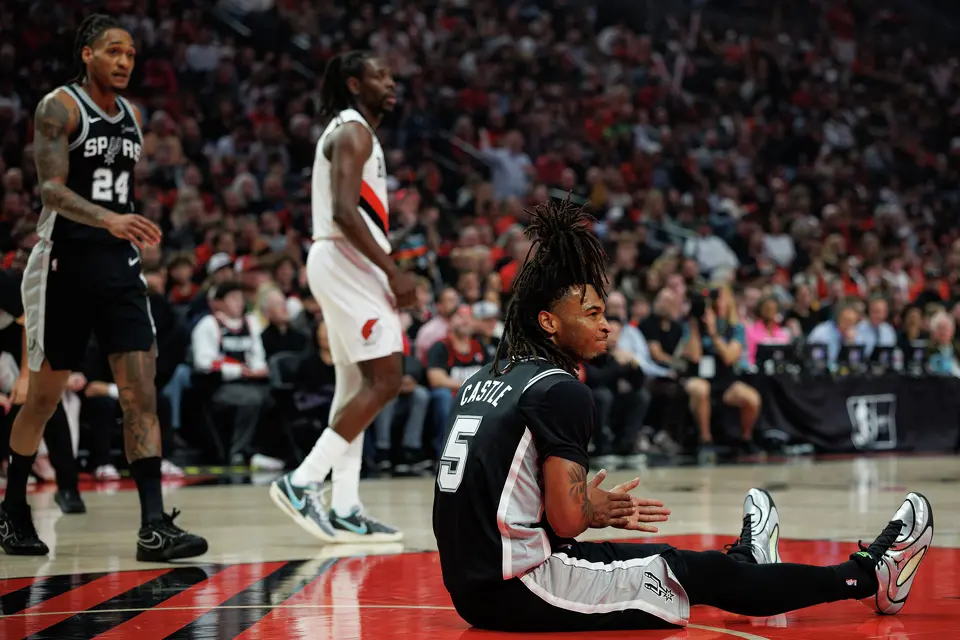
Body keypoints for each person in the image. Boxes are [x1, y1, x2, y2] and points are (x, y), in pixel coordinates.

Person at [432, 198, 933, 632]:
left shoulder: (484, 379)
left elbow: (494, 499)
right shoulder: (560, 390)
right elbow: (565, 520)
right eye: (592, 315)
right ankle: (870, 574)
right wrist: (592, 509)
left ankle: (748, 562)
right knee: (690, 573)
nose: (607, 327)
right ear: (548, 321)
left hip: (476, 584)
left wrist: (577, 509)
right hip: (522, 588)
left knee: (678, 560)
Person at [0, 15, 207, 561]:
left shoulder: (134, 116)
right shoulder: (59, 107)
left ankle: (154, 525)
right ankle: (13, 509)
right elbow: (49, 189)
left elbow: (118, 194)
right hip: (63, 264)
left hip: (119, 267)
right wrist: (109, 219)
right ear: (87, 54)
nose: (124, 61)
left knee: (141, 393)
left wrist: (127, 225)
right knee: (42, 399)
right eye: (114, 51)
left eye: (132, 54)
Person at [269, 50, 413, 544]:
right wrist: (394, 272)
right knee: (388, 378)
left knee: (356, 389)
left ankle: (346, 505)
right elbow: (346, 213)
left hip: (345, 260)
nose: (391, 81)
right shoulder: (352, 131)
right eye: (380, 74)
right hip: (346, 259)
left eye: (391, 74)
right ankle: (302, 481)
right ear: (355, 84)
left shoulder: (356, 131)